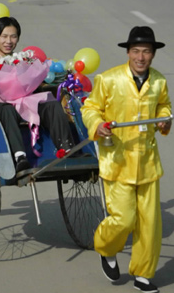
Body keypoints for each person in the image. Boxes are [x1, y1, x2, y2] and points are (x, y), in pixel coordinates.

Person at [81, 26, 172, 293]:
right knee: (123, 218)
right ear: (128, 53)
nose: (141, 57)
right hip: (117, 161)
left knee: (150, 224)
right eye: (136, 51)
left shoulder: (158, 81)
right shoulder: (108, 80)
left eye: (146, 52)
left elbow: (163, 106)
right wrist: (97, 124)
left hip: (147, 162)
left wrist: (165, 122)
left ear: (153, 54)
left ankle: (143, 274)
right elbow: (90, 107)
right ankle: (106, 248)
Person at [0, 16, 76, 173]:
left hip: (27, 102)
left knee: (52, 103)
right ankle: (20, 156)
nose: (9, 41)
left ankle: (67, 148)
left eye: (13, 36)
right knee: (6, 108)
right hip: (1, 106)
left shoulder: (24, 59)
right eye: (4, 36)